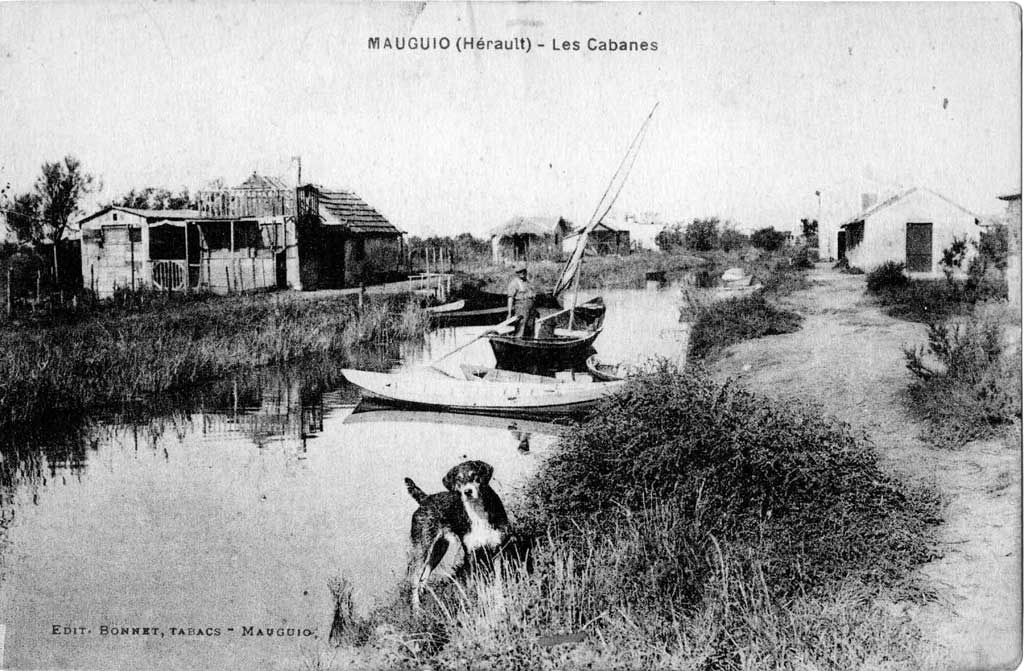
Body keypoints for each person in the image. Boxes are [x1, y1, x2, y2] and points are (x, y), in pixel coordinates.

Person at [506, 264, 538, 337]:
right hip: (521, 308)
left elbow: (532, 296)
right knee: (521, 327)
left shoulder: (528, 283)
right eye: (520, 272)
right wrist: (509, 312)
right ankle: (518, 342)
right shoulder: (514, 283)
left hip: (531, 309)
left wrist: (535, 309)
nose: (523, 273)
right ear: (517, 273)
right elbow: (510, 298)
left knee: (530, 327)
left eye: (524, 271)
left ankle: (529, 344)